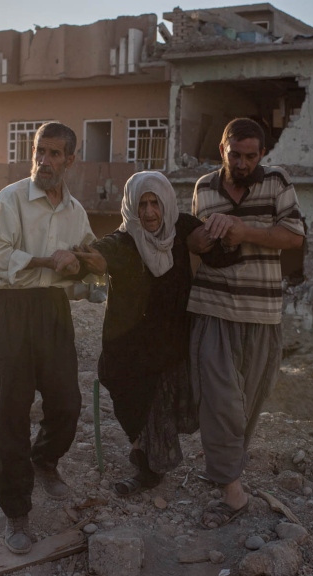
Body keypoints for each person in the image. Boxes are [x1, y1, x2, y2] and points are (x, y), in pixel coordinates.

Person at [0, 121, 95, 554]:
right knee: (11, 414)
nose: (44, 161)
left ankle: (44, 460)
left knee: (67, 402)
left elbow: (86, 260)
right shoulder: (10, 199)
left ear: (70, 159)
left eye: (53, 154)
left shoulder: (75, 212)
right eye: (39, 151)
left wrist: (85, 264)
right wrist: (52, 260)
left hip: (53, 312)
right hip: (11, 311)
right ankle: (16, 513)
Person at [185, 118, 305, 529]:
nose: (242, 163)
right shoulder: (203, 188)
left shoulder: (277, 182)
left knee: (247, 405)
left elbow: (293, 236)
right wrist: (197, 242)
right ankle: (232, 493)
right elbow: (193, 246)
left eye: (251, 156)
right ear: (222, 149)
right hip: (213, 307)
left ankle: (226, 469)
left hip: (262, 313)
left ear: (262, 154)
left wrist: (244, 231)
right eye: (234, 154)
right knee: (219, 401)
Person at [73, 172, 201, 495]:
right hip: (130, 347)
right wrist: (88, 261)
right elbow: (102, 254)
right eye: (141, 204)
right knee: (129, 400)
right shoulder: (125, 240)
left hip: (173, 344)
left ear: (166, 204)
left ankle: (148, 470)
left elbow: (212, 246)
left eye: (154, 203)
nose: (148, 213)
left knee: (160, 408)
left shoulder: (183, 229)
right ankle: (148, 459)